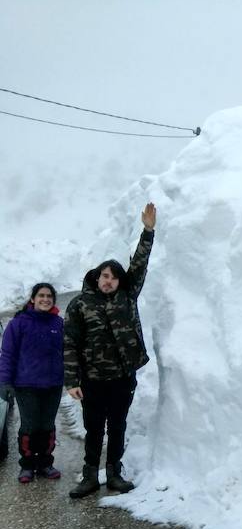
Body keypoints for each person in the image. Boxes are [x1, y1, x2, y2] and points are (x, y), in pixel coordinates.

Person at [65, 202, 156, 498]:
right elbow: (69, 344)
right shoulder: (80, 304)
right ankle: (90, 475)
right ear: (97, 276)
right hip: (92, 380)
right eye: (105, 276)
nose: (109, 281)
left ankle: (114, 472)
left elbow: (139, 265)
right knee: (94, 428)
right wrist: (71, 381)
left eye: (114, 277)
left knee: (118, 426)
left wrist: (148, 231)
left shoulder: (127, 296)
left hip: (121, 377)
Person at [0, 283, 65, 483]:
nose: (45, 299)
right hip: (26, 385)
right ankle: (27, 465)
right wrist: (5, 381)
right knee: (30, 425)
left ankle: (45, 463)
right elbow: (7, 354)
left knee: (47, 425)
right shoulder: (18, 323)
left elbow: (69, 353)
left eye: (49, 296)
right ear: (33, 299)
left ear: (53, 300)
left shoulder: (58, 323)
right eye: (41, 296)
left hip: (53, 385)